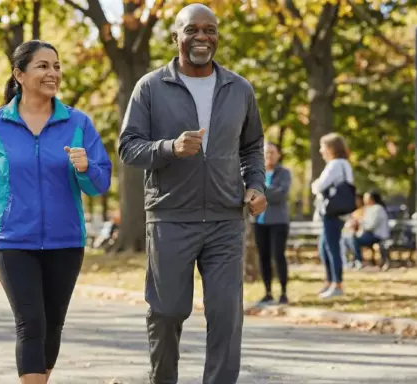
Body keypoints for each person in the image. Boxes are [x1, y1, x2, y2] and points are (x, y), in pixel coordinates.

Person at [0, 40, 112, 384]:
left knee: (53, 324)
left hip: (65, 242)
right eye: (43, 66)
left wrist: (85, 168)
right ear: (19, 75)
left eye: (56, 66)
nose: (53, 73)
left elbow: (99, 184)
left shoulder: (78, 123)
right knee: (30, 322)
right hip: (12, 240)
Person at [116, 4, 266, 384]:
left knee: (226, 316)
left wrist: (256, 186)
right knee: (166, 312)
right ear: (176, 37)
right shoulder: (150, 87)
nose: (203, 37)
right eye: (193, 30)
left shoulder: (239, 88)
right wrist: (168, 148)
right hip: (170, 218)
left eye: (210, 30)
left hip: (226, 219)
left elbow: (252, 147)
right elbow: (128, 146)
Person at [311, 133, 354, 299]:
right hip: (336, 212)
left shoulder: (335, 164)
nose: (321, 151)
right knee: (324, 246)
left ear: (330, 148)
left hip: (332, 212)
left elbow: (319, 186)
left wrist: (315, 185)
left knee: (331, 247)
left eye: (323, 147)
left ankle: (338, 284)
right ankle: (329, 282)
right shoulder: (344, 164)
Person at [254, 141, 292, 305]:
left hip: (278, 221)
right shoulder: (256, 172)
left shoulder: (284, 173)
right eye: (266, 153)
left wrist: (259, 189)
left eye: (272, 152)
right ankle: (267, 292)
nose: (269, 155)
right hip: (259, 221)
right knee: (263, 258)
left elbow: (280, 195)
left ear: (278, 155)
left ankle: (283, 293)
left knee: (278, 256)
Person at [344, 190, 392, 271]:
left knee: (353, 238)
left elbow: (370, 226)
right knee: (348, 238)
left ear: (372, 199)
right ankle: (353, 261)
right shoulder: (370, 208)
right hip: (370, 234)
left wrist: (359, 222)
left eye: (367, 198)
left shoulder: (377, 208)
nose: (364, 199)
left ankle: (359, 261)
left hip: (377, 235)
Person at [342, 194, 365, 269]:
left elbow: (363, 222)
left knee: (352, 239)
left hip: (361, 232)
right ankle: (348, 261)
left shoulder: (364, 210)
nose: (356, 201)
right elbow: (348, 223)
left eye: (357, 200)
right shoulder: (353, 211)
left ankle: (358, 260)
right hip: (351, 232)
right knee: (344, 239)